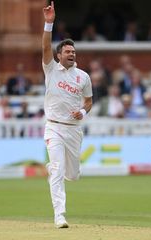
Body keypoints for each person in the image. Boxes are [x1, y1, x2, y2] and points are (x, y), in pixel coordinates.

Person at [42, 2, 93, 229]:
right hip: (54, 127)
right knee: (58, 172)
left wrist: (82, 111)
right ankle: (59, 215)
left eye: (74, 52)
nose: (72, 54)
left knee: (72, 175)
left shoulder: (83, 77)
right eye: (68, 51)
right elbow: (44, 47)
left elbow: (89, 101)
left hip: (73, 130)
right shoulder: (51, 69)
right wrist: (49, 23)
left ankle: (53, 167)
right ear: (59, 55)